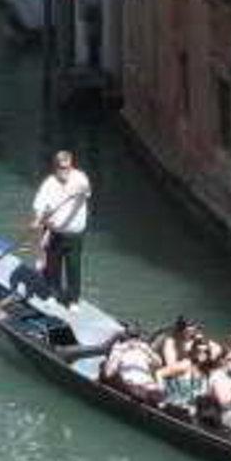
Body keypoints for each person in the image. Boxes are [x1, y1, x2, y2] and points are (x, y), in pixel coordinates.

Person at [30, 150, 91, 306]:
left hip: (74, 234)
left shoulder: (79, 178)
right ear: (55, 167)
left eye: (67, 167)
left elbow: (86, 189)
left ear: (71, 166)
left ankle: (73, 301)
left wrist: (79, 191)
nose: (65, 171)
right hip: (54, 232)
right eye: (61, 167)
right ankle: (53, 293)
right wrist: (37, 219)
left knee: (73, 267)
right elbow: (40, 203)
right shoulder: (49, 182)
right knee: (52, 266)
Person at [99, 328, 163, 402]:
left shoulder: (142, 350)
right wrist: (123, 349)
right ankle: (148, 392)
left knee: (153, 388)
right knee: (146, 388)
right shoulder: (119, 350)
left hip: (146, 383)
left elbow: (159, 364)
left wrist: (146, 349)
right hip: (134, 384)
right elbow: (108, 373)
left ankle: (151, 392)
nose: (135, 342)